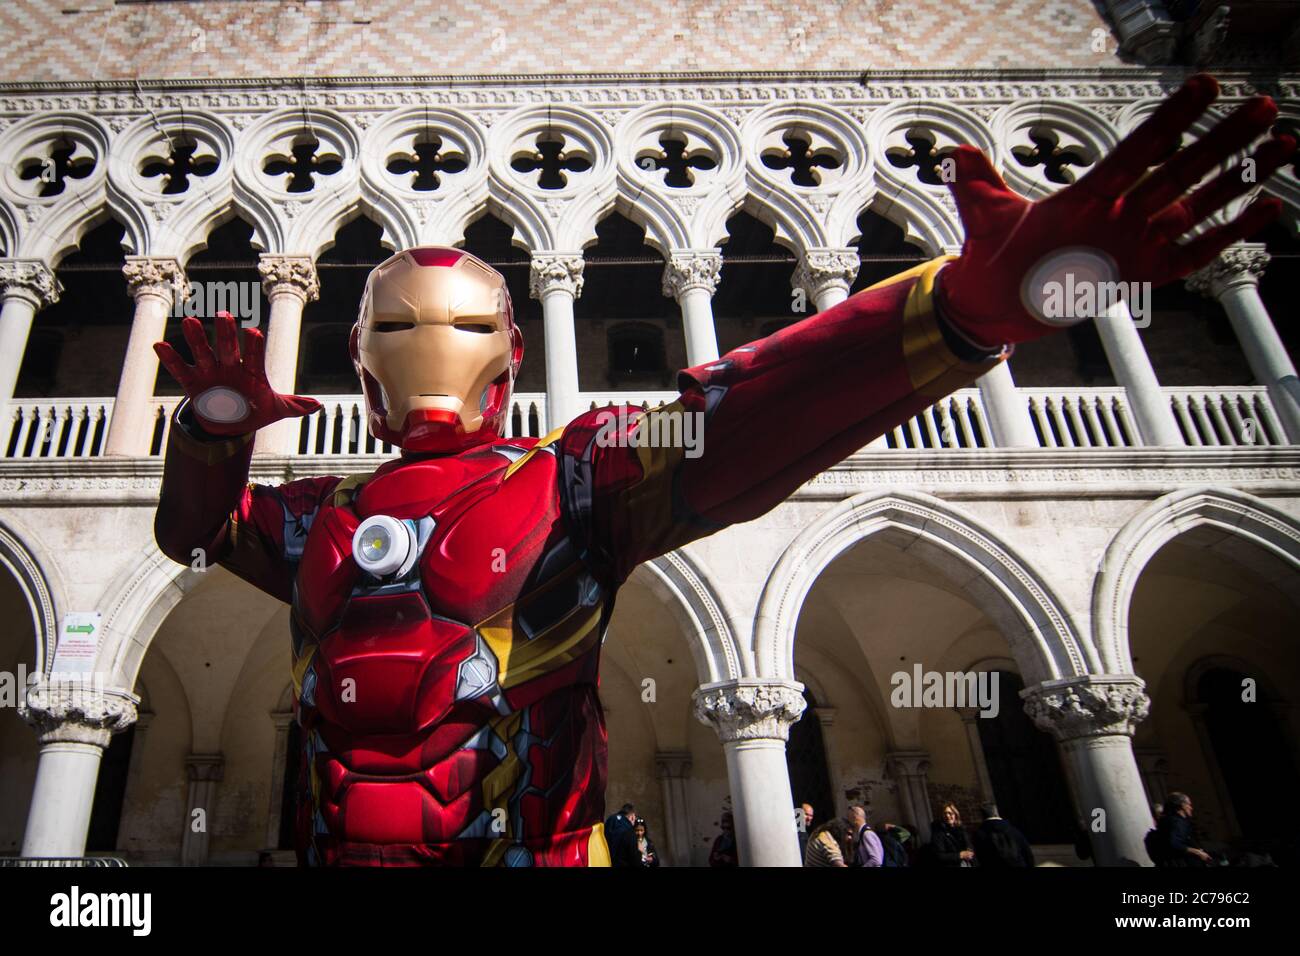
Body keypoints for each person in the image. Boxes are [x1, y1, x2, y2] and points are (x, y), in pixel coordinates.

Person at [150, 75, 1292, 866]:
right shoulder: (317, 518)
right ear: (357, 367)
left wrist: (960, 311)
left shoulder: (581, 476)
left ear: (509, 356)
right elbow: (193, 534)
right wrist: (207, 428)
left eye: (450, 325)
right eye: (392, 330)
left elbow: (744, 412)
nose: (423, 355)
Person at [1152, 792, 1214, 867]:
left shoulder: (1168, 821)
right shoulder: (1177, 822)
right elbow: (1175, 844)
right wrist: (1198, 852)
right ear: (1183, 805)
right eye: (1189, 804)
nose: (1191, 808)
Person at [972, 802, 1035, 868]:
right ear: (996, 813)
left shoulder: (979, 834)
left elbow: (980, 858)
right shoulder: (1012, 830)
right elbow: (1027, 853)